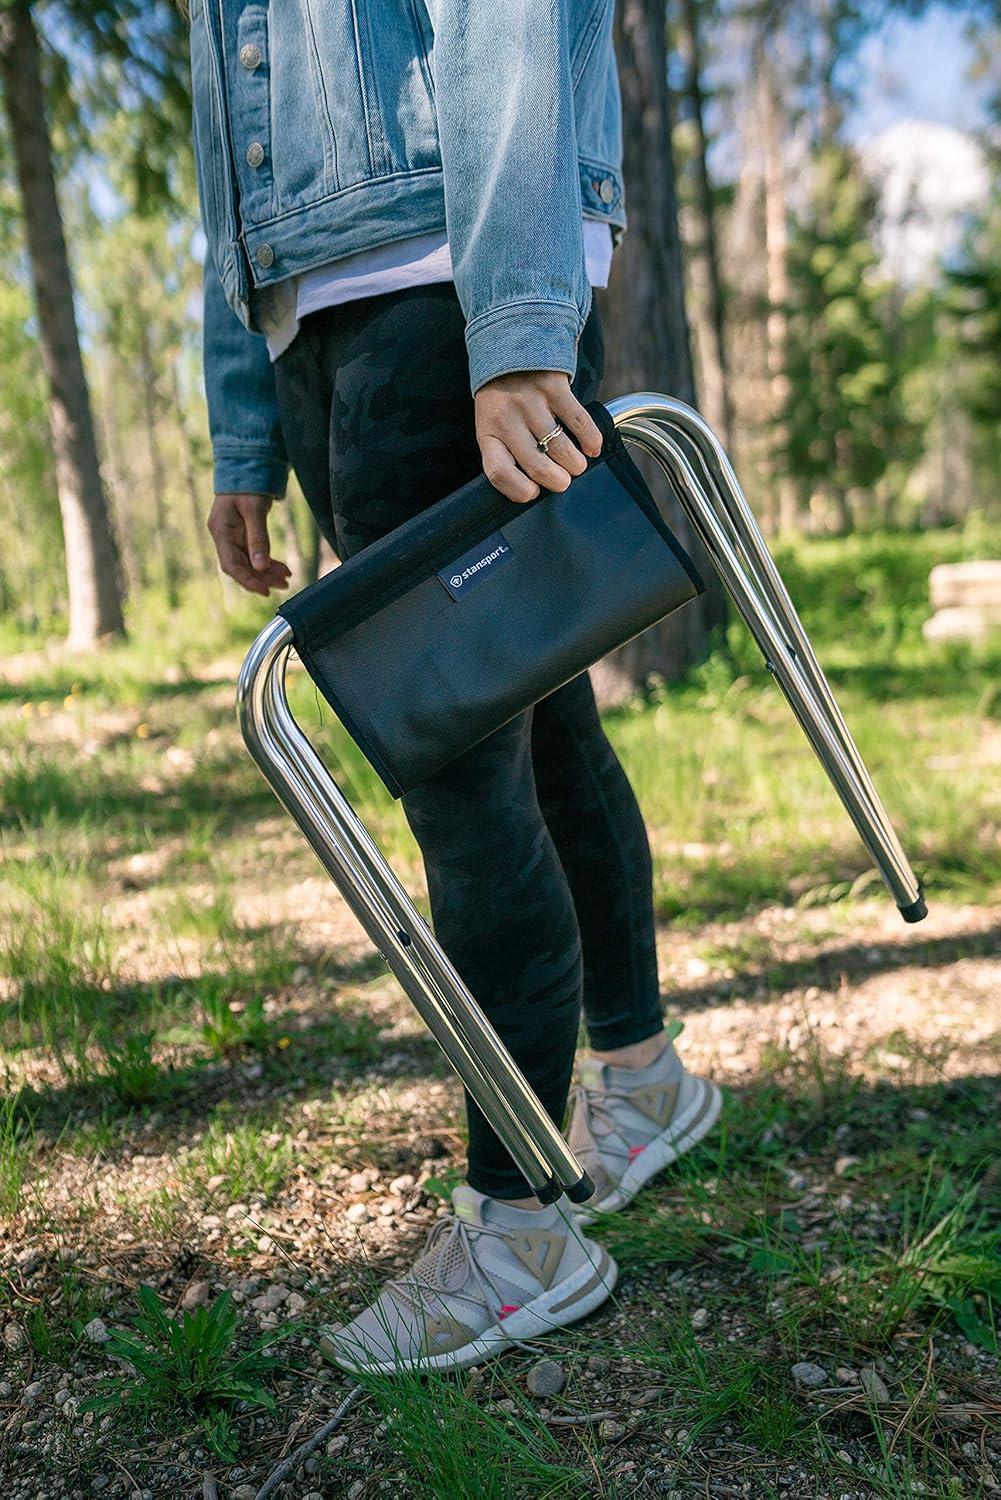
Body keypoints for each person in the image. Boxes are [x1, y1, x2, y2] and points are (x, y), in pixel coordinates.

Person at [190, 0, 720, 1376]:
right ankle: (643, 1084)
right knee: (538, 731)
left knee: (460, 773)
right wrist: (242, 419)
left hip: (448, 288)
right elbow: (228, 141)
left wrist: (519, 324)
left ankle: (523, 1227)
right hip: (326, 317)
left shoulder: (484, 307)